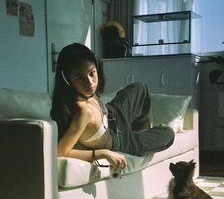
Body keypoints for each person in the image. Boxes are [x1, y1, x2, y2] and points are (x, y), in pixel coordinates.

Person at [51, 43, 175, 172]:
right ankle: (137, 138)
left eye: (92, 73)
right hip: (120, 141)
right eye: (80, 78)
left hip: (113, 115)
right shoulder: (83, 112)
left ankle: (139, 130)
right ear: (67, 79)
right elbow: (60, 151)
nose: (90, 82)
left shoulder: (84, 92)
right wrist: (104, 153)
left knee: (139, 88)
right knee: (168, 133)